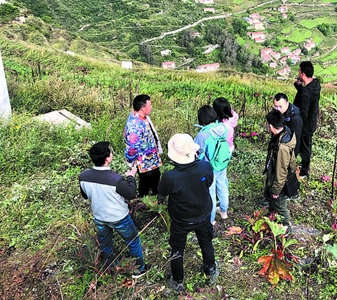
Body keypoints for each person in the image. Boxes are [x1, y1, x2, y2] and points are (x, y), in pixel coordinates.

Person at [158, 134, 219, 291]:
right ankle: (210, 270)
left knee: (177, 249)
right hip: (203, 213)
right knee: (206, 242)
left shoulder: (170, 177)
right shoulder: (205, 167)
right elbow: (210, 182)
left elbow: (162, 192)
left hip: (181, 220)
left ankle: (178, 281)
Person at [79, 142, 149, 278]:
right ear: (107, 159)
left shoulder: (83, 176)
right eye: (110, 152)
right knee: (133, 241)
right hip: (119, 218)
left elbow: (85, 195)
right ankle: (138, 269)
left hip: (100, 217)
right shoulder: (116, 180)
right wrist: (131, 176)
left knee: (106, 244)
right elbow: (131, 194)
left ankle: (112, 268)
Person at [194, 105, 230, 224]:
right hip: (222, 163)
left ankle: (211, 219)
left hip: (209, 167)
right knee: (223, 186)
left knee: (210, 192)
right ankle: (224, 212)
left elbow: (197, 153)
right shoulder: (223, 128)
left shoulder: (202, 135)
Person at [263, 110, 297, 230]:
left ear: (271, 126)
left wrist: (276, 190)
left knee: (280, 203)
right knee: (270, 196)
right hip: (274, 173)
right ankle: (272, 217)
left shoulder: (282, 147)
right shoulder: (283, 132)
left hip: (280, 180)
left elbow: (281, 172)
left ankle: (286, 227)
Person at [124, 94, 163, 197]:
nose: (151, 107)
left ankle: (155, 200)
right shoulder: (135, 126)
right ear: (142, 108)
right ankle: (145, 204)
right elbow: (132, 148)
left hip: (151, 160)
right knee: (145, 185)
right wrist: (132, 161)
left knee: (155, 180)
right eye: (149, 105)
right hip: (145, 163)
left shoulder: (142, 118)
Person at [293, 61, 321, 179]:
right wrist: (299, 86)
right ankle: (304, 166)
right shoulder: (315, 84)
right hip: (312, 121)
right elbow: (306, 93)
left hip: (305, 125)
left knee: (303, 147)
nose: (298, 72)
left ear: (303, 73)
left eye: (299, 71)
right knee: (306, 145)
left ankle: (304, 170)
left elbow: (303, 112)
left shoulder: (306, 93)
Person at [272, 93, 302, 200]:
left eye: (280, 106)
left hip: (289, 146)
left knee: (287, 170)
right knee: (278, 168)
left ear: (287, 103)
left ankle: (292, 193)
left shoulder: (295, 118)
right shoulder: (276, 112)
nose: (277, 109)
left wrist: (291, 153)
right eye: (275, 106)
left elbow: (296, 138)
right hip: (279, 144)